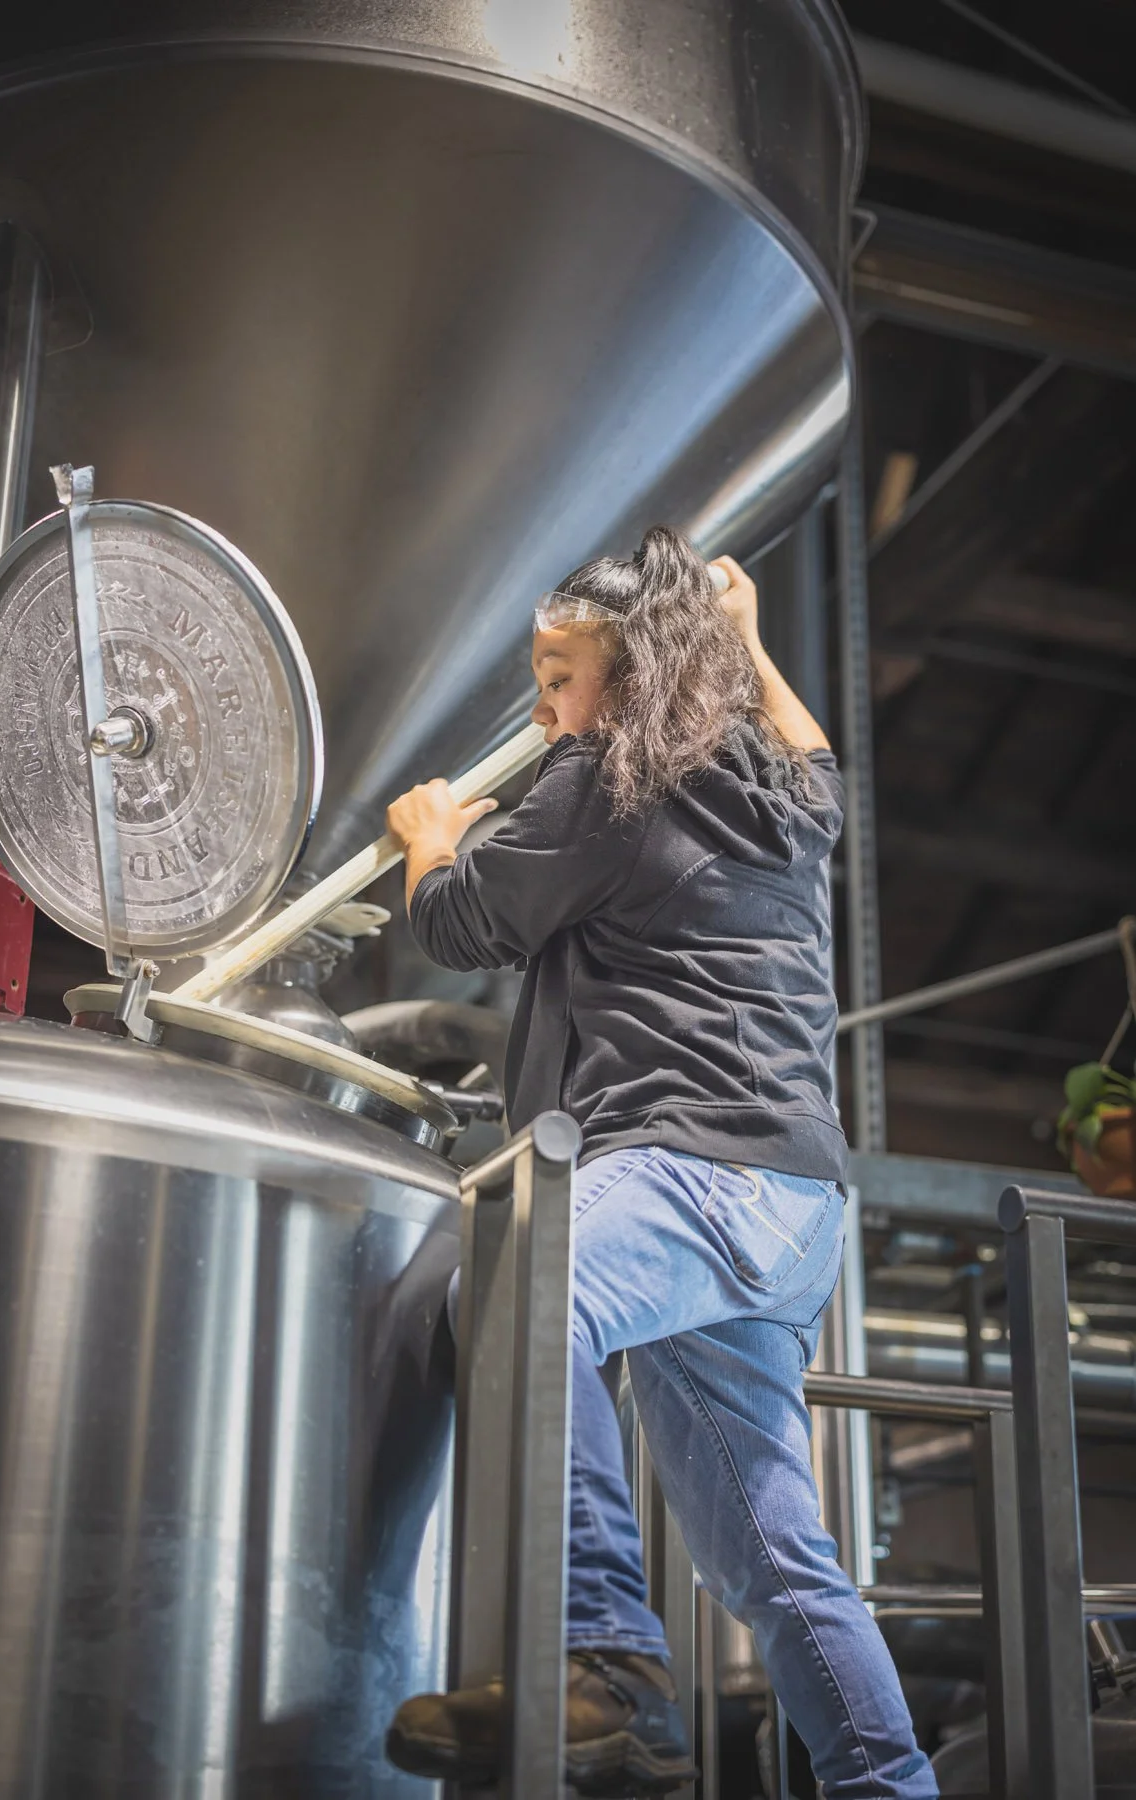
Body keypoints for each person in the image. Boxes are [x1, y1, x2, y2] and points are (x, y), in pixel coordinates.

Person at [382, 527, 937, 1799]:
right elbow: (822, 762)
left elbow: (462, 919)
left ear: (628, 677)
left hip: (693, 1167)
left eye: (560, 672)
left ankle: (609, 1666)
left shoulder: (604, 783)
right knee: (771, 1558)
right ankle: (886, 1787)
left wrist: (431, 829)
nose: (545, 706)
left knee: (524, 1286)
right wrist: (743, 637)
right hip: (792, 1205)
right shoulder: (774, 786)